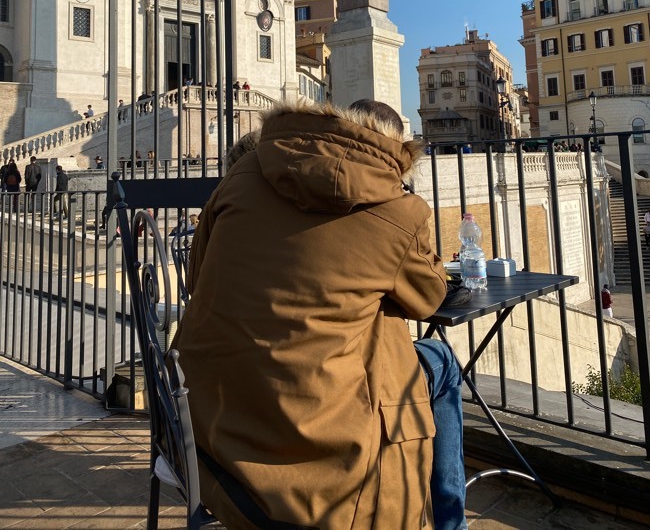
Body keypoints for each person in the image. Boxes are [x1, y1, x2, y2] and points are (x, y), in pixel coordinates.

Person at [173, 100, 466, 530]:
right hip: (322, 446)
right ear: (397, 153)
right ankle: (450, 522)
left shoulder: (242, 174)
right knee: (441, 362)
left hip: (207, 434)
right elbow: (428, 297)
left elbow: (196, 278)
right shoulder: (398, 213)